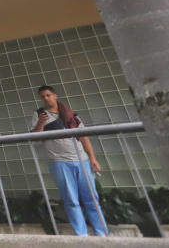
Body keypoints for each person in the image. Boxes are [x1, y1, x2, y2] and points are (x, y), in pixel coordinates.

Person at [30, 85, 106, 236]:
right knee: (71, 201)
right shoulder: (39, 114)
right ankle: (81, 236)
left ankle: (102, 234)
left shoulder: (71, 114)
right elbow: (35, 137)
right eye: (42, 96)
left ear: (55, 95)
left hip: (82, 161)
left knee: (92, 199)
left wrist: (93, 158)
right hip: (59, 163)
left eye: (48, 95)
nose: (45, 98)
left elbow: (84, 137)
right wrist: (40, 122)